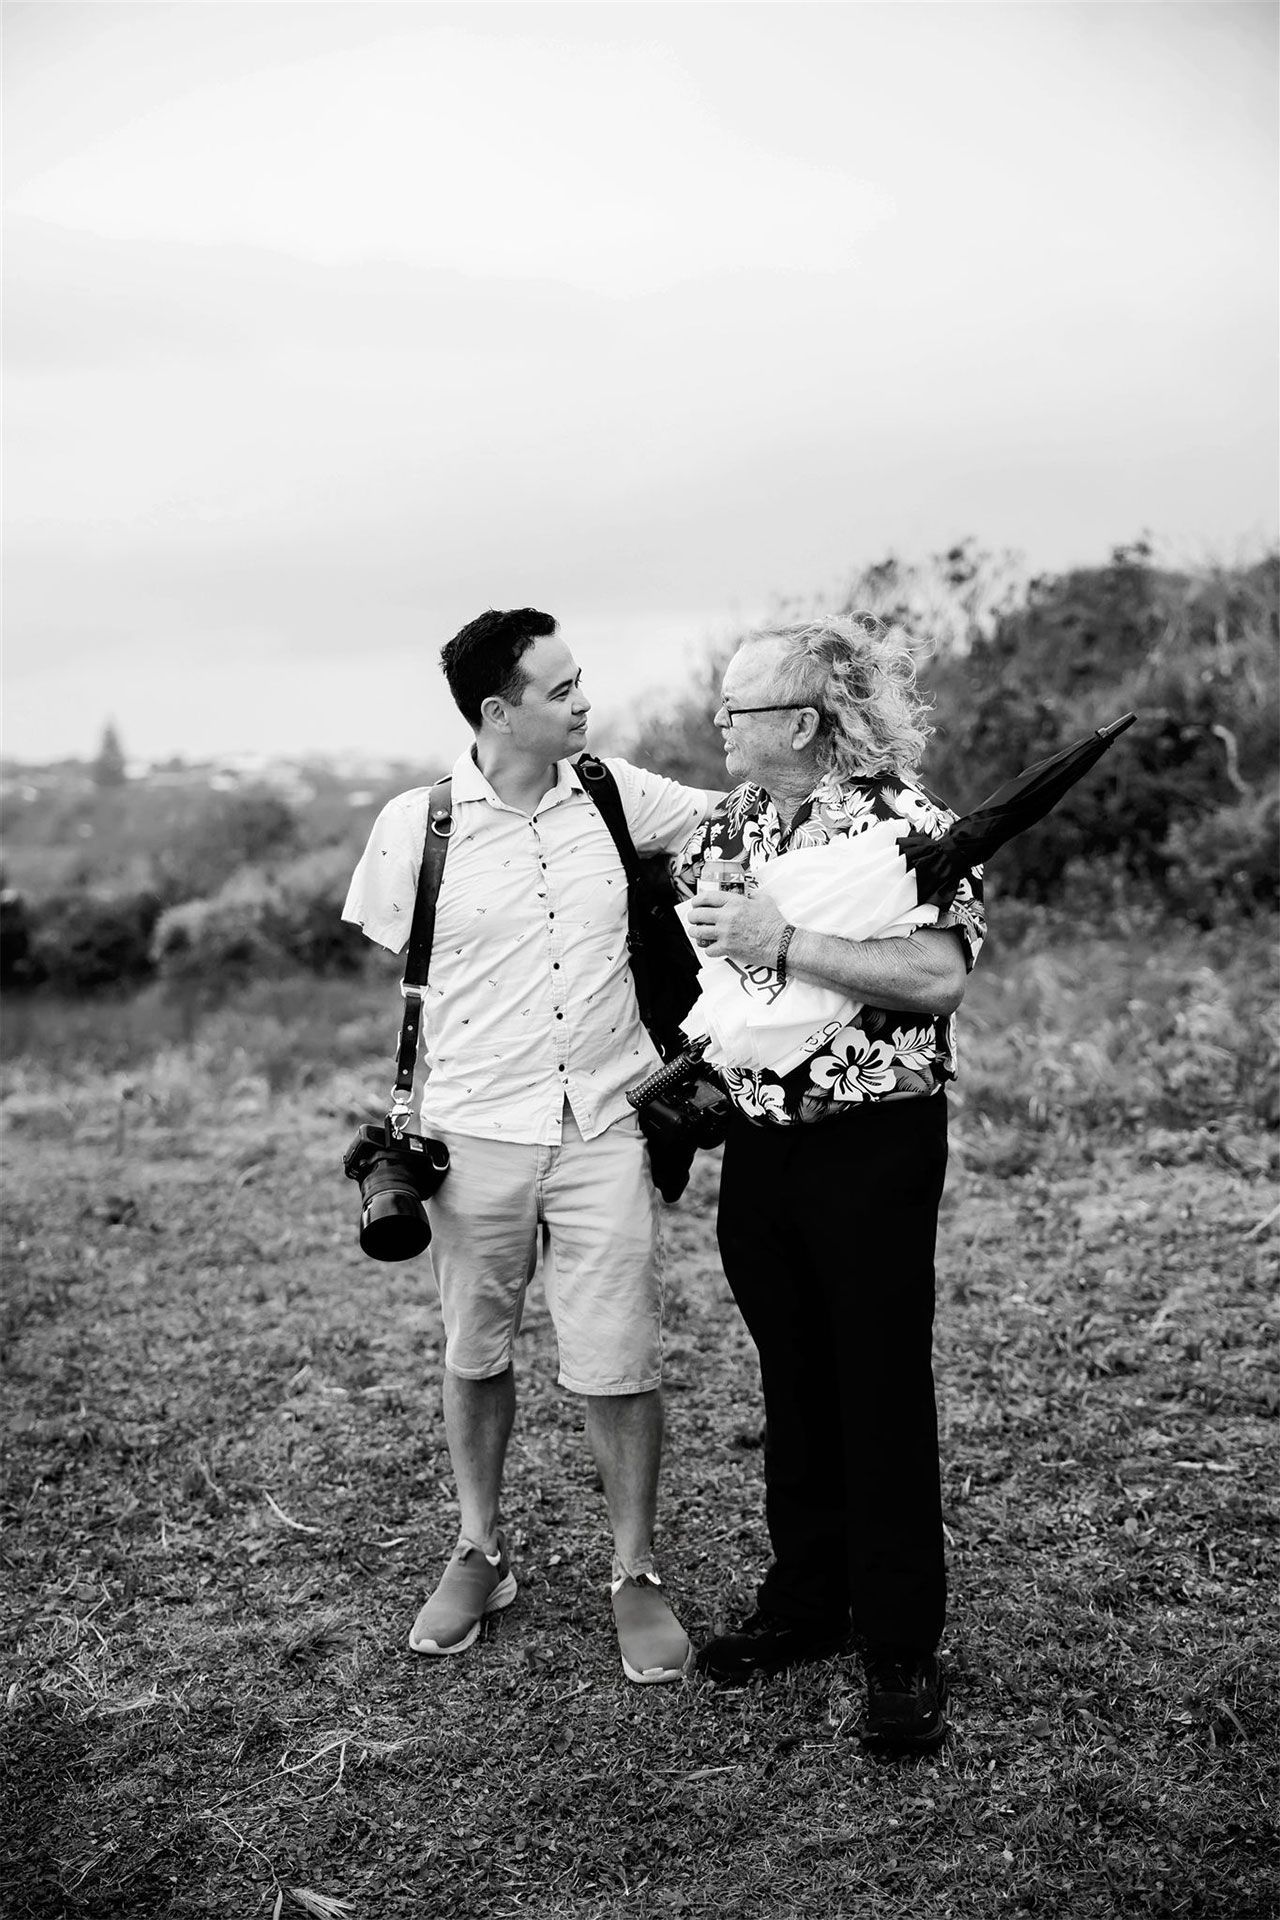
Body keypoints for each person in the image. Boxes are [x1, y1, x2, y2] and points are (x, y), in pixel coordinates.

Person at [342, 608, 715, 1683]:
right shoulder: (413, 827)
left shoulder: (614, 792)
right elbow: (408, 978)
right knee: (475, 1350)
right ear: (498, 713)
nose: (583, 702)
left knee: (618, 1358)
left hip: (606, 1122)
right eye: (560, 691)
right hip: (474, 1133)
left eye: (580, 682)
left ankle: (633, 1572)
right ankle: (478, 1549)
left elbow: (734, 823)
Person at [678, 611, 985, 1752]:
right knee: (792, 1377)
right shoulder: (726, 825)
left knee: (878, 1384)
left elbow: (935, 979)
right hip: (757, 1148)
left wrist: (783, 939)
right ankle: (806, 1605)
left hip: (874, 1144)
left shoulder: (911, 825)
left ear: (799, 721)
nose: (717, 723)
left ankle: (900, 1643)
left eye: (736, 708)